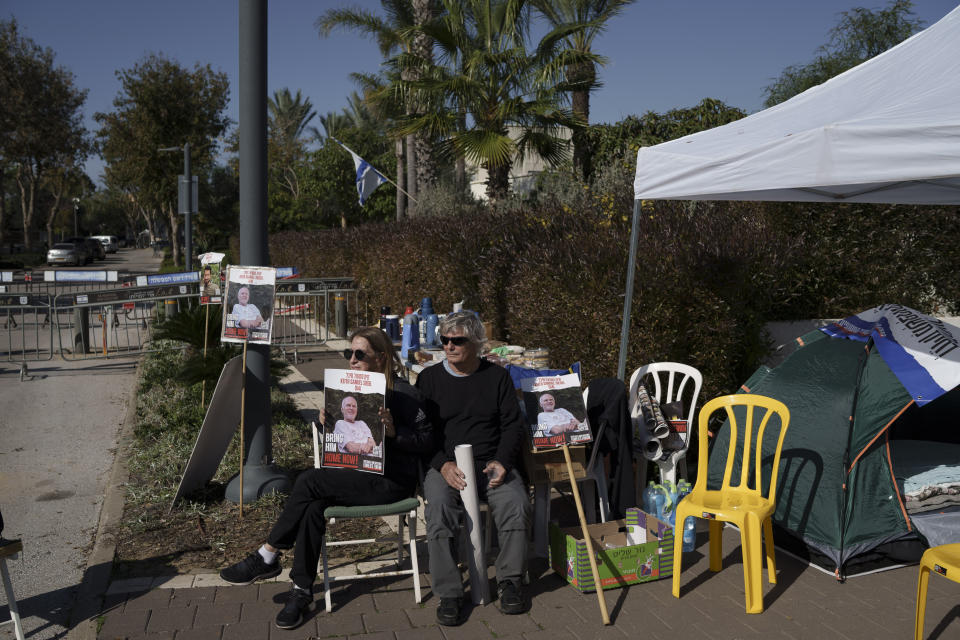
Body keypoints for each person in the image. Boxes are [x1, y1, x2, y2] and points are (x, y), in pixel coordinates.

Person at [219, 326, 433, 630]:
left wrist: (396, 433)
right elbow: (342, 444)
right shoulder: (347, 391)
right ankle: (301, 590)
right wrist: (326, 424)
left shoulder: (405, 394)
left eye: (361, 354)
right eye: (349, 353)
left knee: (308, 481)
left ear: (382, 357)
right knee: (313, 503)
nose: (353, 360)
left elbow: (426, 442)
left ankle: (267, 554)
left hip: (391, 483)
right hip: (355, 476)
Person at [416, 311, 532, 626]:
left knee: (515, 504)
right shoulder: (428, 380)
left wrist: (502, 462)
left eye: (458, 340)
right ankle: (450, 593)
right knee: (438, 509)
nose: (449, 346)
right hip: (446, 465)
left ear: (477, 343)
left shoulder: (497, 378)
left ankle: (510, 581)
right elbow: (423, 436)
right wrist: (442, 465)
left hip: (490, 462)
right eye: (445, 340)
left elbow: (512, 426)